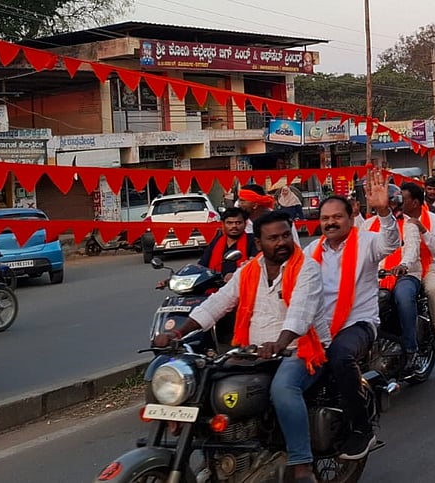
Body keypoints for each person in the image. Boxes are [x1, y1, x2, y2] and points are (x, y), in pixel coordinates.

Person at [155, 211, 327, 482]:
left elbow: (301, 312)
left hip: (301, 349)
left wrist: (280, 343)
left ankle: (301, 462)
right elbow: (217, 303)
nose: (281, 242)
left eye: (285, 235)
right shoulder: (248, 270)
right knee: (205, 380)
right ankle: (220, 451)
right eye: (273, 238)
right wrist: (178, 332)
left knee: (283, 389)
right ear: (259, 243)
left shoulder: (307, 268)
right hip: (254, 352)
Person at [303, 172, 400, 460]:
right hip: (318, 326)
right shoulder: (312, 250)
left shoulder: (367, 241)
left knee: (340, 356)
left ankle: (361, 429)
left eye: (337, 217)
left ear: (350, 218)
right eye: (325, 218)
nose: (331, 222)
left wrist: (383, 211)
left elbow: (390, 243)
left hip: (358, 324)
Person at [381, 182, 435, 358]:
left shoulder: (434, 220)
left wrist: (422, 229)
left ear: (415, 202)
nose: (398, 202)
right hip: (392, 269)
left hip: (427, 265)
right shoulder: (393, 220)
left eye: (403, 199)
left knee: (432, 290)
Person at [198, 207, 257, 281]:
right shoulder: (216, 241)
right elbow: (202, 264)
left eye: (238, 222)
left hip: (242, 284)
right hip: (215, 285)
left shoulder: (253, 241)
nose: (234, 226)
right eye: (229, 223)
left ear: (245, 224)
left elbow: (255, 264)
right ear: (223, 224)